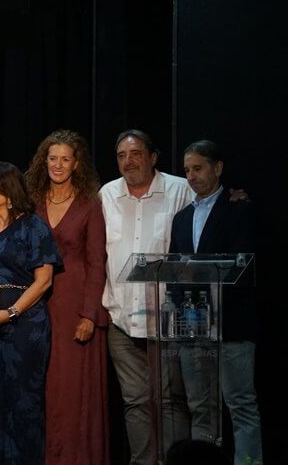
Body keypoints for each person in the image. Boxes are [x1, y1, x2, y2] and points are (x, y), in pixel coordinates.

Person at [100, 130, 192, 465]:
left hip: (167, 319)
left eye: (136, 153)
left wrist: (235, 198)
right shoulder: (107, 194)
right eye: (122, 155)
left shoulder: (180, 190)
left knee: (170, 400)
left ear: (153, 157)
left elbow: (209, 210)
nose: (129, 161)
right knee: (135, 402)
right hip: (121, 320)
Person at [0, 162, 61, 465]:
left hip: (25, 325)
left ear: (7, 192)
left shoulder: (34, 226)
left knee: (24, 403)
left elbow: (43, 280)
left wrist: (12, 311)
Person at [172, 140, 260, 465]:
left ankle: (249, 462)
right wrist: (184, 309)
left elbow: (244, 266)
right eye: (187, 170)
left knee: (240, 403)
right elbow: (174, 269)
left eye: (198, 168)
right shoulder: (181, 218)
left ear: (217, 168)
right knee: (200, 406)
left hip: (232, 324)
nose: (192, 176)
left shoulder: (239, 207)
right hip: (192, 328)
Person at [26, 130, 109, 465]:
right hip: (36, 306)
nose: (57, 165)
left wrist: (89, 315)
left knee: (73, 391)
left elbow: (96, 262)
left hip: (75, 308)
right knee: (43, 388)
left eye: (65, 159)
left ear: (76, 164)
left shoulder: (90, 205)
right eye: (52, 158)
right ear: (43, 161)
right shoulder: (32, 202)